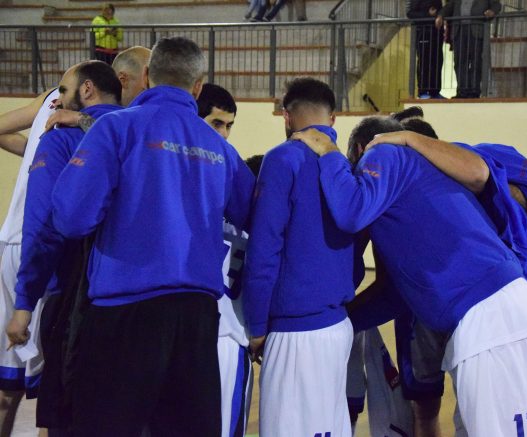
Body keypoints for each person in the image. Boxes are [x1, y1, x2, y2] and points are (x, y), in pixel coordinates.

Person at [293, 117, 527, 437]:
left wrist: (329, 154)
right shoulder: (413, 191)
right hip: (509, 311)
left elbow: (350, 212)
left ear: (361, 150)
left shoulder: (384, 153)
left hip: (489, 320)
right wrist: (336, 322)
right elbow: (392, 296)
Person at [49, 37, 254, 436]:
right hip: (196, 321)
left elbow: (71, 218)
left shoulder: (115, 128)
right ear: (198, 86)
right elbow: (253, 216)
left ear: (146, 76)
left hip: (124, 313)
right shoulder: (219, 147)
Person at [5, 60, 123, 433]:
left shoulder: (59, 134)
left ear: (87, 89)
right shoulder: (135, 133)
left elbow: (45, 225)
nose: (57, 100)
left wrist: (24, 303)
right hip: (124, 296)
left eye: (63, 91)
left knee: (58, 408)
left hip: (67, 290)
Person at [241, 77, 355, 437]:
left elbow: (264, 249)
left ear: (286, 117)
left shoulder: (283, 158)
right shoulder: (342, 165)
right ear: (332, 119)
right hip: (338, 326)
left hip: (296, 331)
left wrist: (256, 326)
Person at [197, 82, 256, 437]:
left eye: (229, 126)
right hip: (211, 338)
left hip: (220, 336)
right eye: (216, 123)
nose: (223, 134)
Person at [0, 87, 59, 437]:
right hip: (45, 250)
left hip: (10, 243)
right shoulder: (103, 113)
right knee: (56, 389)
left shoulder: (50, 96)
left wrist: (37, 153)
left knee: (7, 388)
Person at [44, 46, 151, 132]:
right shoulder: (65, 97)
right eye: (147, 83)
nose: (151, 90)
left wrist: (80, 119)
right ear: (123, 80)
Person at [436, 0, 501, 98]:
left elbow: (496, 5)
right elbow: (449, 6)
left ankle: (474, 91)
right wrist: (440, 16)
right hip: (459, 31)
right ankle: (462, 91)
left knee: (476, 62)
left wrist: (492, 12)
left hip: (477, 31)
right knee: (459, 62)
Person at [407, 1, 444, 99]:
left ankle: (435, 91)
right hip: (423, 33)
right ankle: (423, 91)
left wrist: (439, 15)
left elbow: (441, 10)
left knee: (437, 62)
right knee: (424, 62)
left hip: (437, 33)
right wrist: (428, 15)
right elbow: (410, 14)